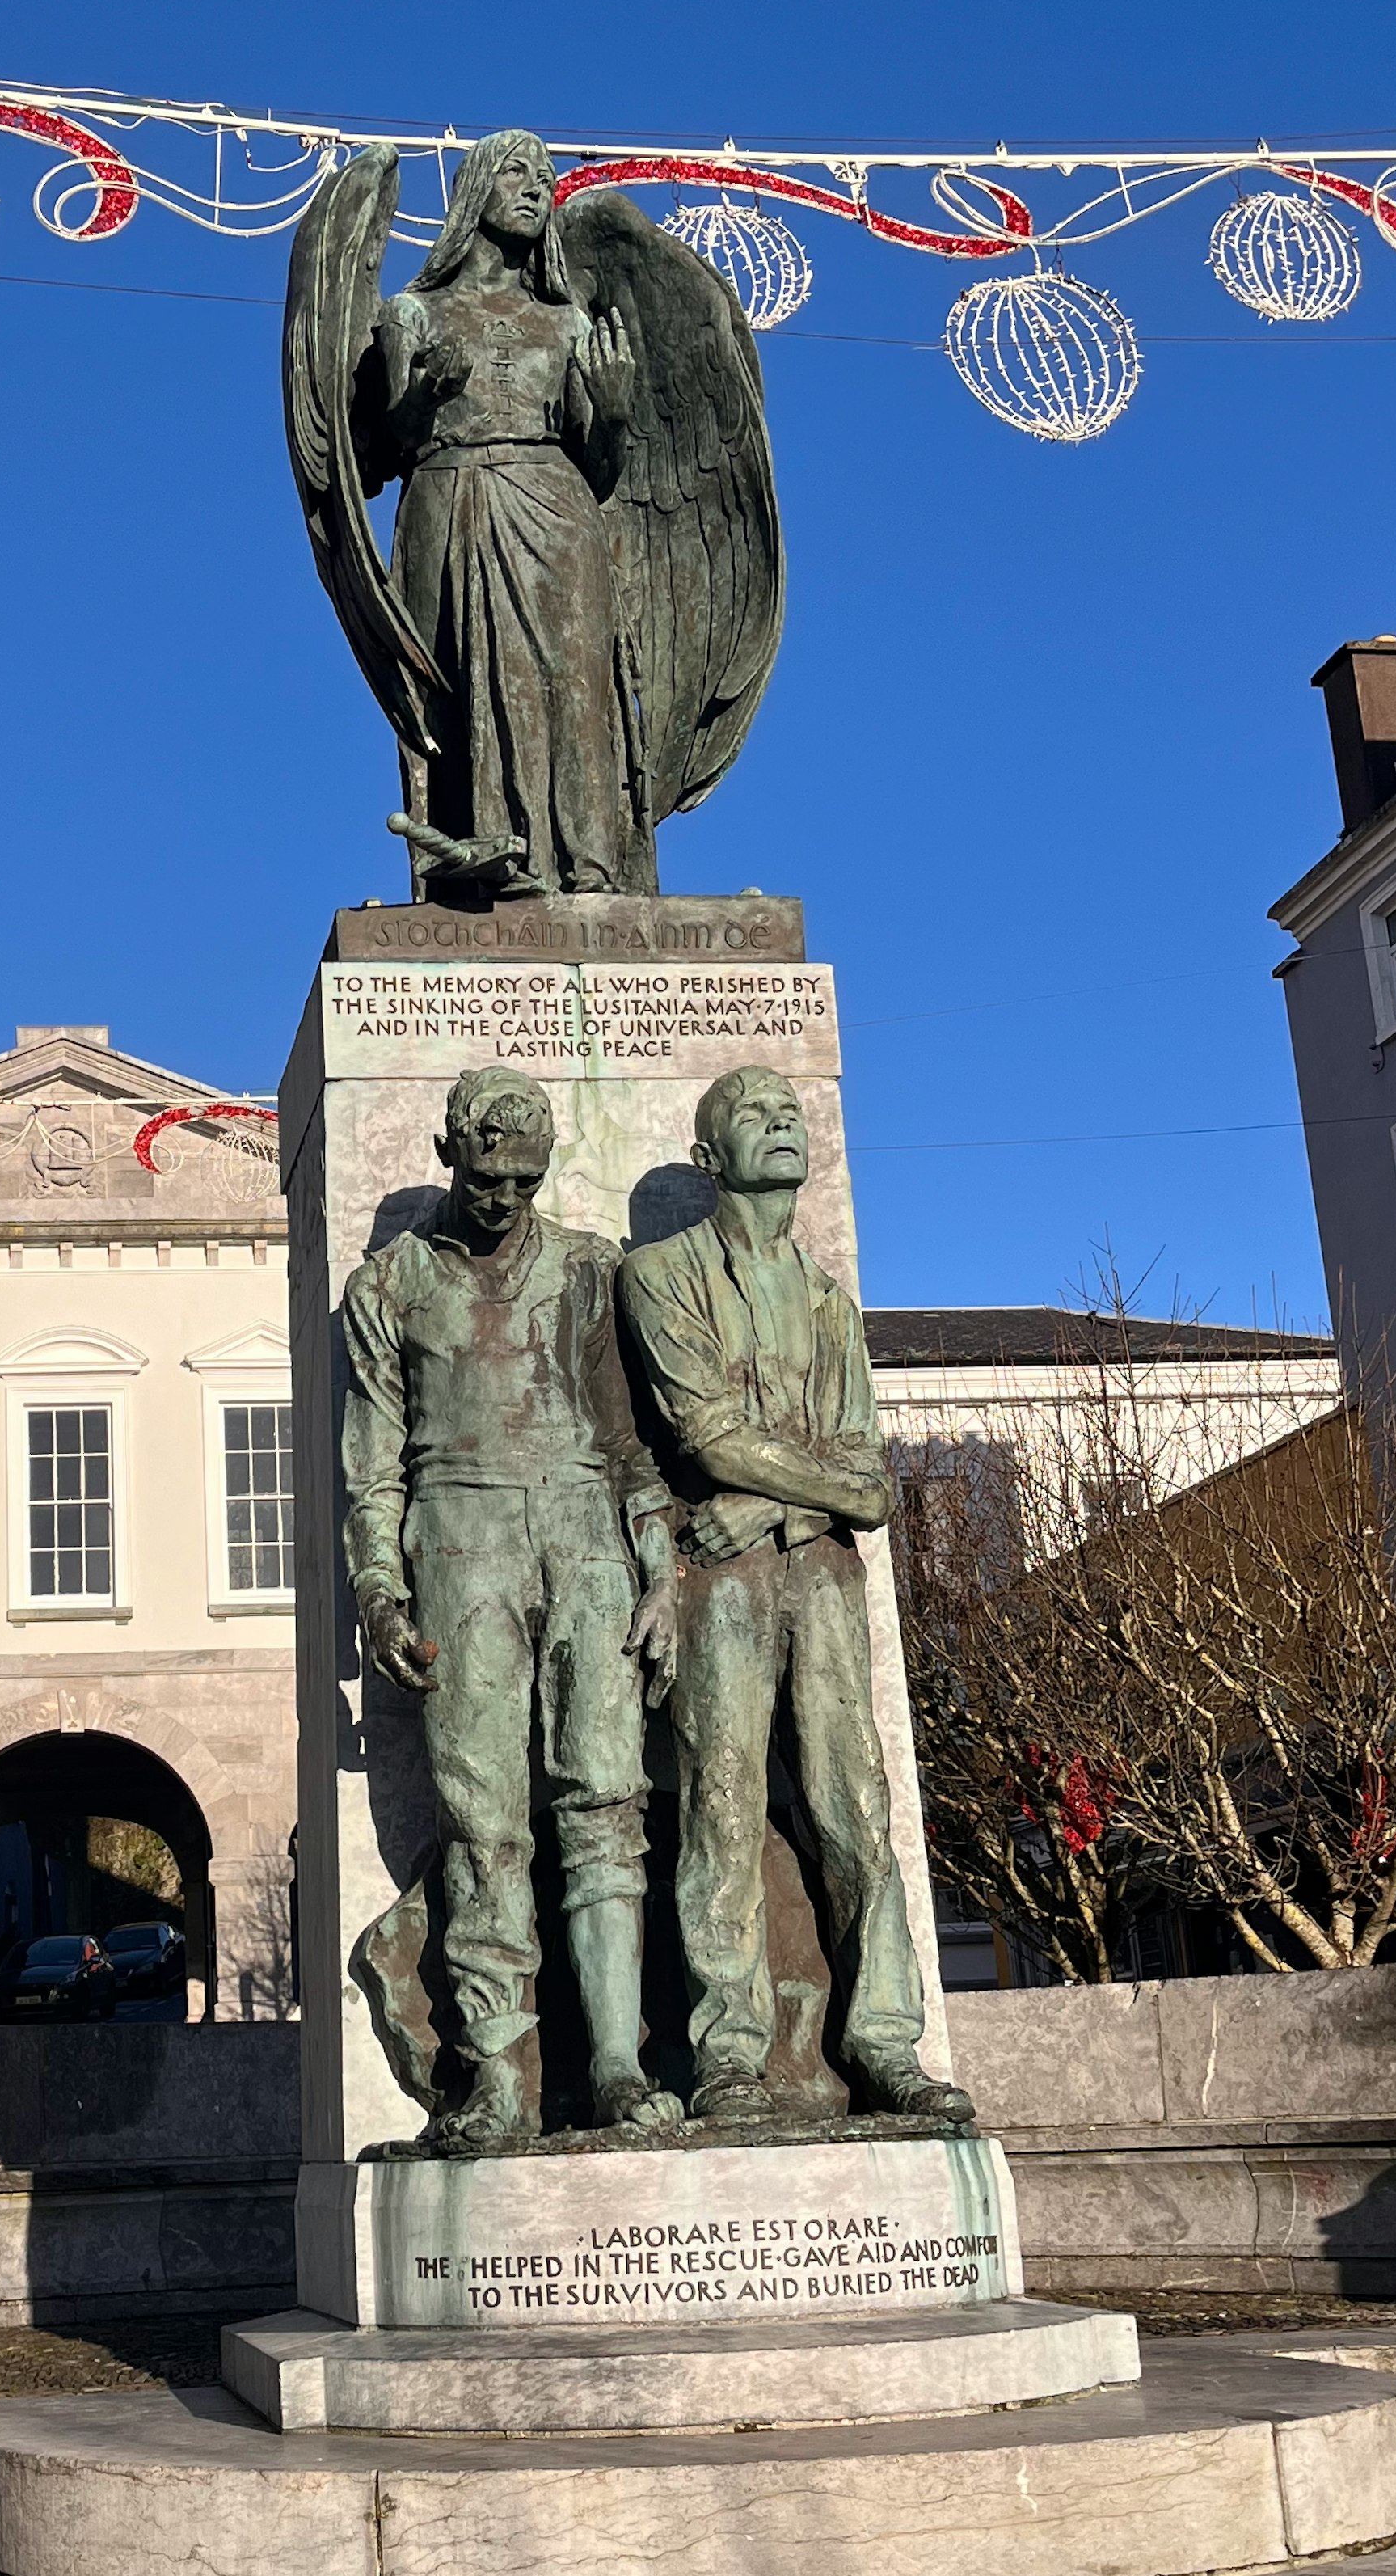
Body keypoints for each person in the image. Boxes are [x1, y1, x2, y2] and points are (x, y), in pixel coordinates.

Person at [617, 1065, 975, 2130]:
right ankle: (727, 2055)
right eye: (752, 1119)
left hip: (815, 1572)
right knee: (720, 1807)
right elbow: (702, 1434)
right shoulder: (659, 1275)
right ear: (707, 1157)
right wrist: (820, 1495)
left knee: (855, 1808)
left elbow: (870, 1481)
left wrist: (775, 1513)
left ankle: (886, 2045)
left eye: (790, 1115)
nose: (781, 1127)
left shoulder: (830, 1301)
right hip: (716, 1584)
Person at [340, 1063, 677, 2150]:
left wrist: (660, 1568)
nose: (505, 1197)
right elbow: (372, 1466)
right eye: (488, 1176)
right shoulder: (388, 1286)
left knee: (606, 1808)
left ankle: (620, 2066)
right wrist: (382, 1597)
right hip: (456, 1537)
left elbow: (631, 1441)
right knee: (483, 1825)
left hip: (585, 1536)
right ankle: (497, 2074)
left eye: (526, 1179)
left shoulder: (588, 1271)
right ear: (449, 1154)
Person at [372, 133, 643, 897]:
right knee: (469, 677)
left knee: (575, 678)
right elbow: (386, 440)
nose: (535, 189)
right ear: (474, 193)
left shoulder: (569, 323)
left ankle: (592, 872)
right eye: (516, 173)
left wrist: (614, 416)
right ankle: (488, 856)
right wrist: (422, 397)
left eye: (546, 178)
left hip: (557, 506)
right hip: (453, 500)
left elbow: (602, 473)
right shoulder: (413, 314)